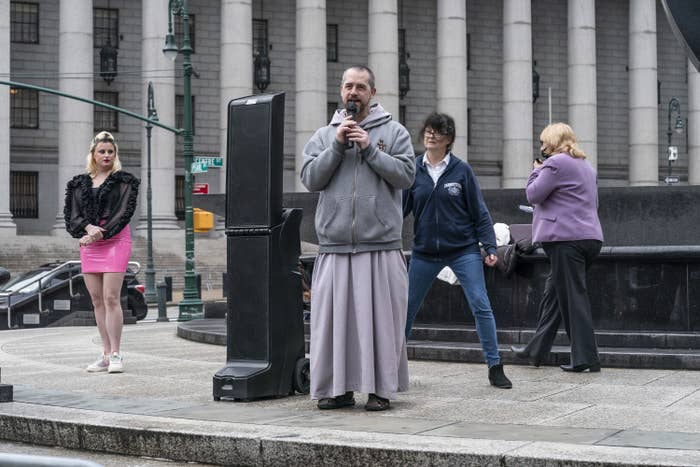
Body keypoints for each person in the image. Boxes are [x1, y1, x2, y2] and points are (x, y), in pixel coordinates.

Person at [300, 65, 415, 411]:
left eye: (361, 87)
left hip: (379, 244)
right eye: (348, 86)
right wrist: (336, 146)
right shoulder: (324, 135)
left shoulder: (394, 132)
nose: (354, 93)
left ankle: (381, 389)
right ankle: (338, 389)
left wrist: (371, 150)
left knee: (381, 325)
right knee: (335, 325)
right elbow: (310, 178)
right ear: (341, 91)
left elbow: (407, 175)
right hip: (335, 246)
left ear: (372, 94)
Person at [403, 112, 512, 389]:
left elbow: (480, 212)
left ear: (448, 139)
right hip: (425, 252)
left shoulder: (462, 171)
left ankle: (495, 365)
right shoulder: (413, 170)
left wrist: (489, 247)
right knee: (405, 309)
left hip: (463, 250)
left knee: (480, 303)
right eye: (427, 130)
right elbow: (398, 211)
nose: (430, 135)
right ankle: (392, 366)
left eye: (437, 132)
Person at [510, 122, 603, 372]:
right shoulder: (586, 166)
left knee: (573, 299)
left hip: (565, 240)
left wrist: (535, 171)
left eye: (543, 142)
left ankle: (585, 358)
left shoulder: (556, 163)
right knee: (555, 297)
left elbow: (533, 195)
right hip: (589, 238)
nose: (542, 147)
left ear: (554, 141)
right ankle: (535, 351)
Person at [64, 131, 139, 374]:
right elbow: (72, 215)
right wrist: (88, 228)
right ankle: (105, 354)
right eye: (102, 151)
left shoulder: (125, 182)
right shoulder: (78, 183)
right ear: (93, 155)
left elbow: (122, 214)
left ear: (114, 155)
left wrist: (100, 233)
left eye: (110, 151)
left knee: (111, 298)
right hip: (89, 244)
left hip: (115, 241)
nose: (106, 155)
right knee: (97, 300)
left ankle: (117, 353)